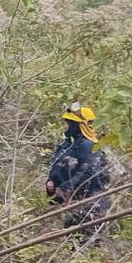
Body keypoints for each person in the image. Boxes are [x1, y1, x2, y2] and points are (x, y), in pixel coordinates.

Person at [46, 103, 111, 241]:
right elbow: (59, 169)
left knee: (86, 244)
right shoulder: (67, 146)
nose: (66, 126)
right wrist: (52, 186)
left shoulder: (88, 146)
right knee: (71, 242)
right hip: (73, 206)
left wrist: (66, 188)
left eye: (69, 123)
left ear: (78, 125)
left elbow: (89, 171)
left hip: (90, 206)